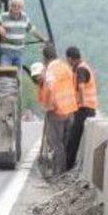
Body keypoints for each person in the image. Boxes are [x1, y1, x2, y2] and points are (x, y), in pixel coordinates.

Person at [41, 43, 77, 176]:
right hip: (70, 110)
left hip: (57, 111)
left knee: (56, 143)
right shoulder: (65, 67)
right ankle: (64, 171)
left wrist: (49, 105)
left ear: (45, 58)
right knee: (64, 143)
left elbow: (50, 88)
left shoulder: (51, 69)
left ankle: (58, 173)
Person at [65, 46, 98, 170]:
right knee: (74, 138)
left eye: (67, 60)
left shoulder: (80, 69)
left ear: (70, 58)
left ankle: (67, 167)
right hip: (89, 108)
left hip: (85, 109)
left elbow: (82, 87)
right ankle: (69, 165)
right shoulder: (83, 67)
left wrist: (81, 104)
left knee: (73, 139)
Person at [0, 0, 46, 68]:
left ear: (22, 8)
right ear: (10, 6)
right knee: (4, 74)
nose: (16, 8)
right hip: (6, 53)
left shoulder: (25, 18)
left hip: (19, 53)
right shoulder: (2, 17)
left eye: (19, 6)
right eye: (14, 6)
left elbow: (32, 30)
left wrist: (43, 39)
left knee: (17, 76)